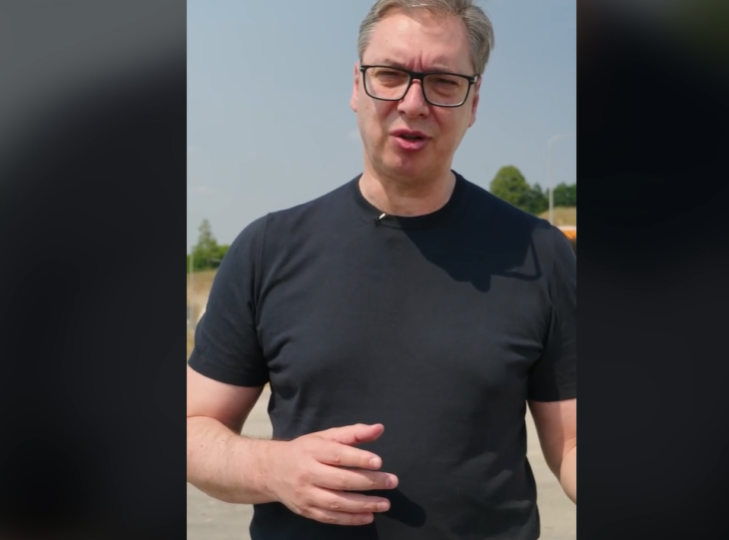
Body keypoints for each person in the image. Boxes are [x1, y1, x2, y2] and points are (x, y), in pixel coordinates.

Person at [186, 0, 576, 538]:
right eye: (390, 75)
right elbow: (193, 427)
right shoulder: (267, 249)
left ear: (474, 102)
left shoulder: (541, 254)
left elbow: (572, 442)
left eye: (443, 82)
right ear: (357, 85)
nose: (413, 103)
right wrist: (271, 469)